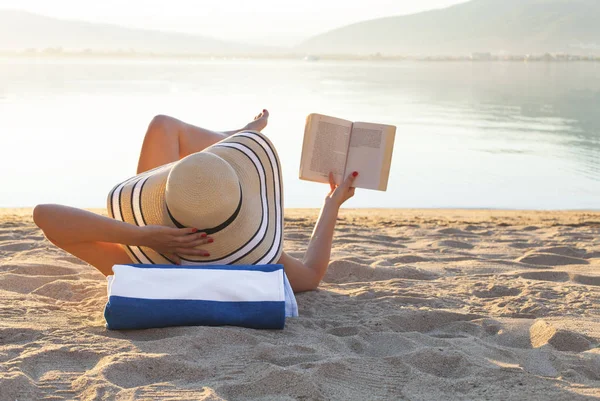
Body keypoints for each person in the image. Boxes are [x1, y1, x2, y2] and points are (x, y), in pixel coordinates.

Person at [33, 110, 358, 293]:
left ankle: (233, 143)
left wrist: (145, 235)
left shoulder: (142, 263)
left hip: (161, 235)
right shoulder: (255, 257)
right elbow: (313, 274)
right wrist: (331, 203)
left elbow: (45, 216)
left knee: (163, 126)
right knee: (179, 144)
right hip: (207, 226)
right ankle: (233, 145)